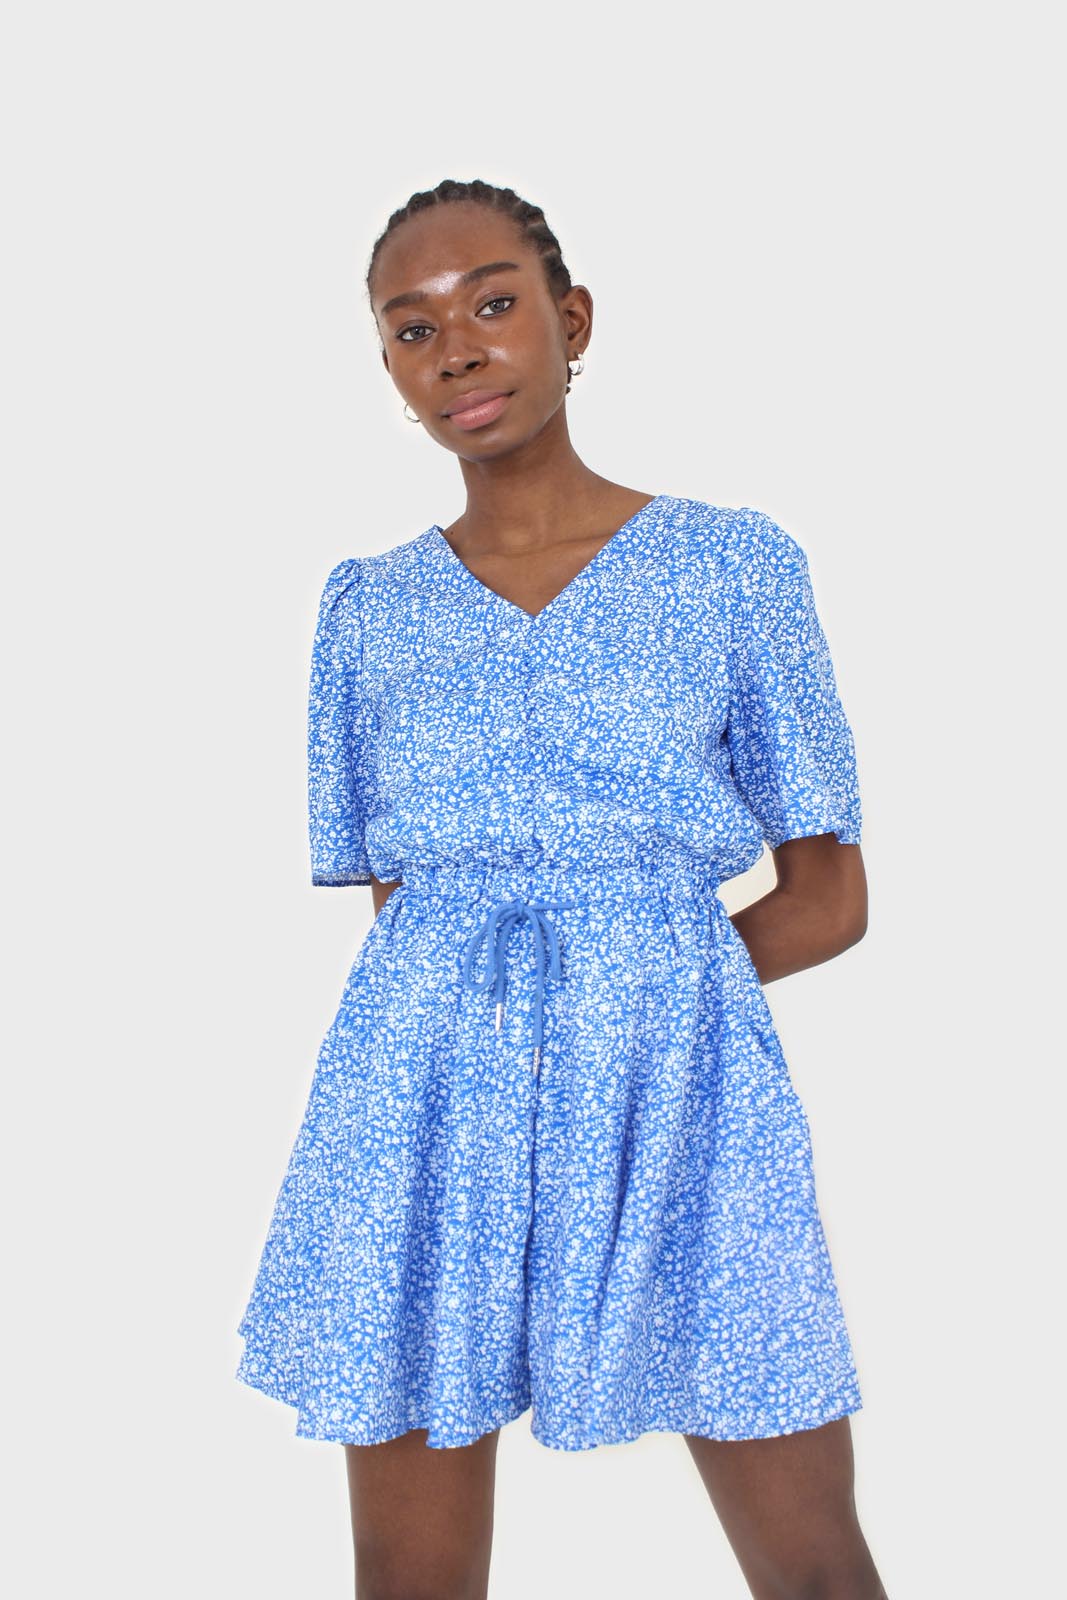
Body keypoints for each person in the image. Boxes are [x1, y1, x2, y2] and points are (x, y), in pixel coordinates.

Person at [235, 177, 888, 1600]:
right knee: (409, 1579)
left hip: (682, 1093)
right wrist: (508, 1025)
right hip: (419, 1111)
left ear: (571, 319)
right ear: (388, 371)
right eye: (411, 330)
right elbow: (407, 923)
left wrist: (631, 992)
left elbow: (829, 897)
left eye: (492, 304)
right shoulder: (366, 609)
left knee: (814, 1564)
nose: (456, 350)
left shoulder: (731, 567)